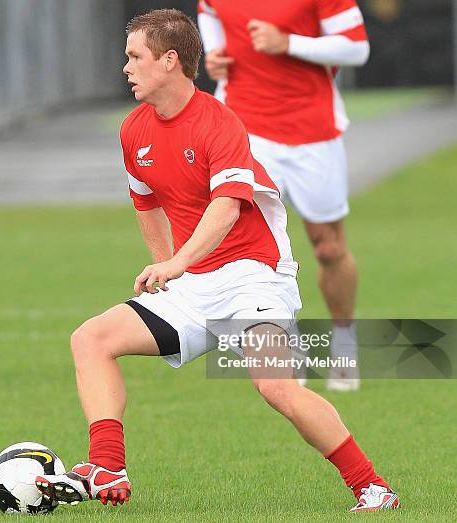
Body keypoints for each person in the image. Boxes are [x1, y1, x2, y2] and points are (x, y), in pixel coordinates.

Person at [35, 9, 399, 513]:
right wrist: (169, 270)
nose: (126, 67)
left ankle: (372, 487)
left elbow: (227, 207)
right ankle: (107, 465)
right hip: (195, 282)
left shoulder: (220, 122)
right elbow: (146, 203)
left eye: (134, 56)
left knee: (277, 387)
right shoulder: (133, 130)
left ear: (169, 61)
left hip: (255, 277)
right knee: (91, 339)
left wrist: (177, 263)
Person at [198, 0, 370, 391]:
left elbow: (357, 48)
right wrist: (214, 51)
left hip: (313, 131)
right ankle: (287, 348)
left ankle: (344, 343)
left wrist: (289, 42)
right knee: (257, 247)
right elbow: (208, 10)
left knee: (328, 247)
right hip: (246, 128)